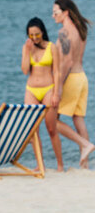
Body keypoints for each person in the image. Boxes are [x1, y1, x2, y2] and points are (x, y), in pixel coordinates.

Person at [53, 0, 95, 168]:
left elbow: (67, 62)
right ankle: (85, 164)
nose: (53, 16)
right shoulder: (81, 28)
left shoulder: (64, 32)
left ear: (65, 12)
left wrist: (58, 87)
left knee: (52, 120)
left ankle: (85, 145)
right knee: (78, 119)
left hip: (70, 78)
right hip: (82, 78)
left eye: (55, 12)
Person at [21, 17, 63, 171]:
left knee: (51, 129)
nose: (34, 38)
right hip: (31, 89)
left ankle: (60, 165)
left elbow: (57, 72)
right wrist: (27, 51)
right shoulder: (27, 47)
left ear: (43, 32)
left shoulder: (52, 47)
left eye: (37, 34)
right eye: (31, 35)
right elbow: (25, 70)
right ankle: (40, 165)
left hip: (48, 89)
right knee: (33, 130)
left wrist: (56, 94)